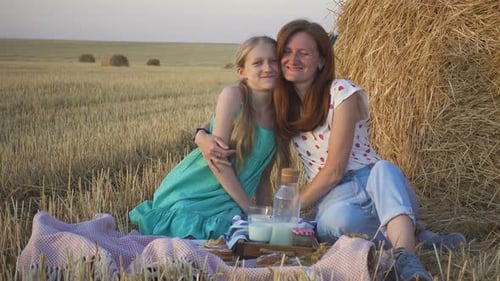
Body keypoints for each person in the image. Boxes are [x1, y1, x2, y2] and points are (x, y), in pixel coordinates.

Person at [196, 20, 466, 281]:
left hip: (373, 182)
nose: (293, 59)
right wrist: (201, 136)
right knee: (331, 226)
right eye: (287, 53)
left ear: (321, 61)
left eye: (304, 53)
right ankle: (416, 236)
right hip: (334, 198)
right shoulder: (284, 108)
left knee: (385, 169)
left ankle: (406, 257)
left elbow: (335, 170)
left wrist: (287, 214)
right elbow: (237, 116)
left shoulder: (341, 92)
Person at [129, 35, 279, 240]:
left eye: (273, 60)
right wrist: (250, 210)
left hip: (231, 201)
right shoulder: (233, 96)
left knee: (239, 245)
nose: (268, 67)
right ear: (241, 72)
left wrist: (265, 219)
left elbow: (263, 178)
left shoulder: (281, 114)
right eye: (258, 62)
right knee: (202, 244)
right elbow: (218, 161)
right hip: (196, 191)